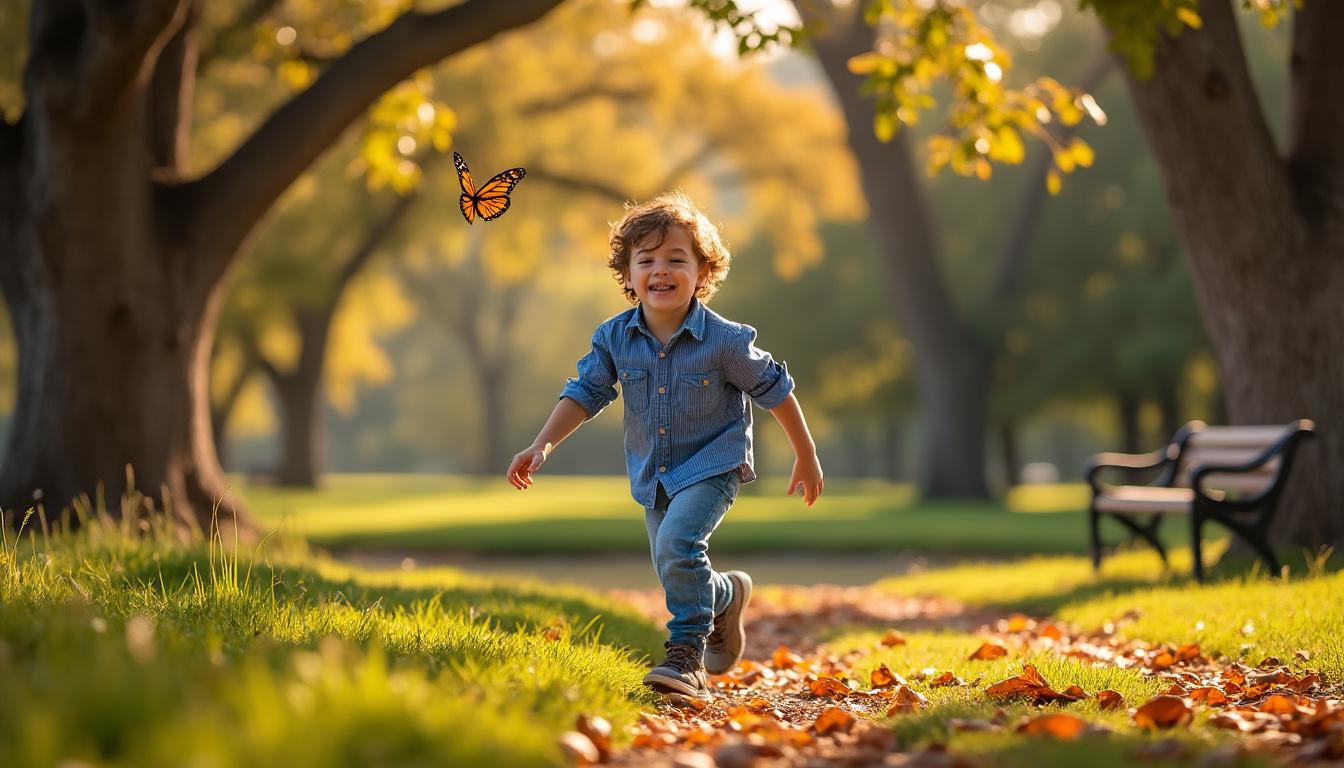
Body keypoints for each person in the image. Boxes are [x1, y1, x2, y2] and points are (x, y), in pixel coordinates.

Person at [506, 191, 824, 700]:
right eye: (646, 259)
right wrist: (542, 445)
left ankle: (686, 659)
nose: (661, 269)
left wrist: (805, 453)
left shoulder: (723, 341)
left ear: (702, 273)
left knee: (678, 547)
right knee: (676, 567)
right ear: (628, 276)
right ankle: (725, 596)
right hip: (654, 474)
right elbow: (585, 392)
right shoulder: (614, 338)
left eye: (677, 259)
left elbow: (775, 390)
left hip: (713, 465)